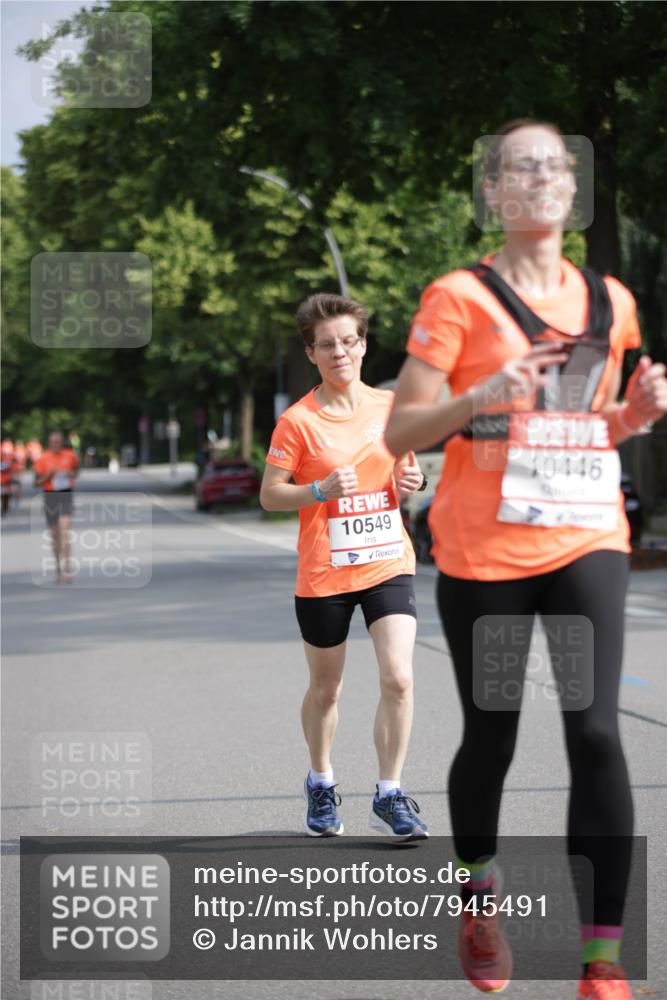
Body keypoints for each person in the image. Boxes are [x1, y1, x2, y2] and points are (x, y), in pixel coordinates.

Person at [385, 120, 667, 999]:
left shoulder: (610, 300)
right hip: (485, 553)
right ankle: (477, 895)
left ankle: (600, 962)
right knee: (492, 735)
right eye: (520, 167)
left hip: (585, 536)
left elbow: (593, 422)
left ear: (573, 191)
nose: (541, 178)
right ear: (494, 192)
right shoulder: (456, 299)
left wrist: (635, 416)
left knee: (595, 732)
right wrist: (480, 393)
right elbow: (400, 429)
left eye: (554, 166)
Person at [260, 292, 430, 842]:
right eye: (327, 344)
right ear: (311, 353)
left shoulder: (389, 406)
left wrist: (413, 480)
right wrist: (318, 489)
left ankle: (390, 793)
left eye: (348, 341)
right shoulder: (297, 422)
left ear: (363, 345)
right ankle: (321, 779)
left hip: (387, 561)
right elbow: (270, 494)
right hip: (324, 572)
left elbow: (406, 471)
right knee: (326, 690)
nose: (340, 352)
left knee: (399, 676)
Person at [33, 431, 80, 583]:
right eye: (53, 442)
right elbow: (35, 483)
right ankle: (58, 569)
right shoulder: (43, 459)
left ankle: (67, 567)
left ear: (62, 442)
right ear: (49, 443)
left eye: (58, 442)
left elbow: (76, 472)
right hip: (50, 496)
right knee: (55, 535)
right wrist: (49, 476)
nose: (56, 444)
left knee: (65, 530)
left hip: (66, 494)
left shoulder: (70, 455)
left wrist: (70, 474)